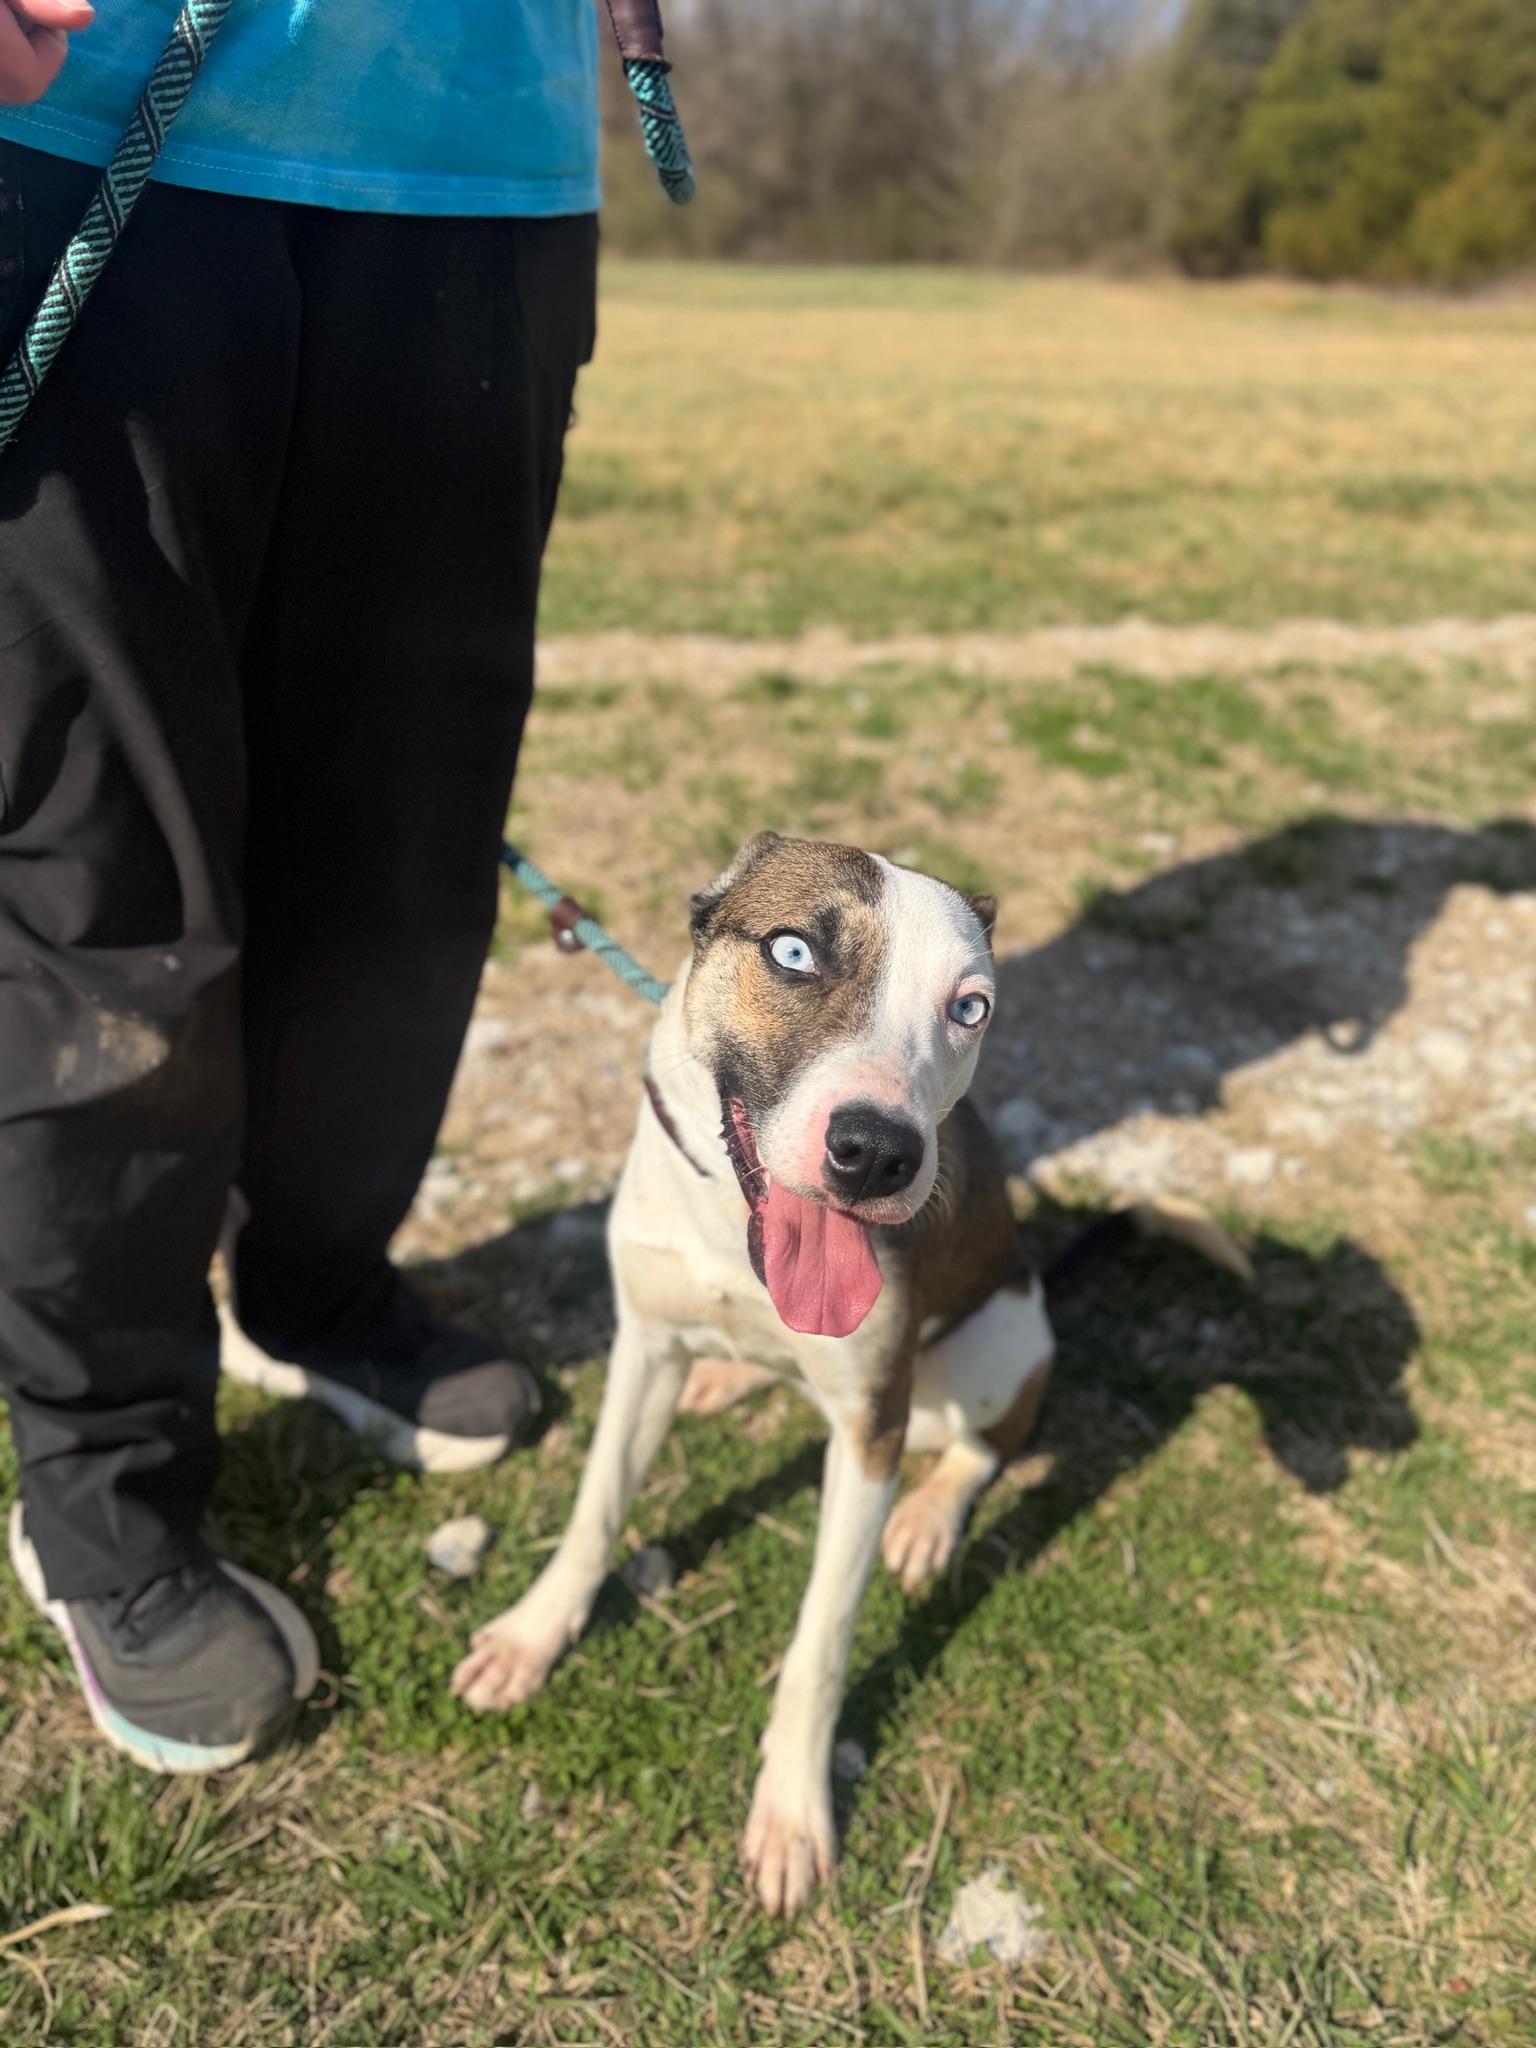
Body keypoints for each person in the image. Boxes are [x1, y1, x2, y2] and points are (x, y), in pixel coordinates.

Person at [0, 0, 598, 1770]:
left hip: (482, 166)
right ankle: (101, 1486)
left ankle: (316, 1290)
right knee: (117, 877)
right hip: (87, 119)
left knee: (402, 856)